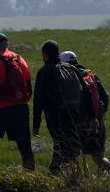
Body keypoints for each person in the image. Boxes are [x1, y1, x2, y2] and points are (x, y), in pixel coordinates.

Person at [0, 32, 35, 171]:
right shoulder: (18, 59)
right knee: (24, 144)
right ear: (6, 44)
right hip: (20, 108)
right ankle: (31, 174)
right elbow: (28, 82)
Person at [32, 40, 84, 174]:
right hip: (75, 114)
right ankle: (72, 175)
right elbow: (85, 91)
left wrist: (36, 123)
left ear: (45, 55)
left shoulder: (44, 72)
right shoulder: (71, 68)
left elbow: (39, 99)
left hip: (56, 116)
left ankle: (56, 174)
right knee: (70, 146)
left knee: (60, 145)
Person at [60, 51, 110, 172]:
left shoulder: (68, 77)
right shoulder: (91, 75)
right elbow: (105, 97)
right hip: (96, 123)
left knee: (71, 158)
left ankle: (79, 184)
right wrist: (98, 116)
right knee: (99, 157)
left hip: (79, 123)